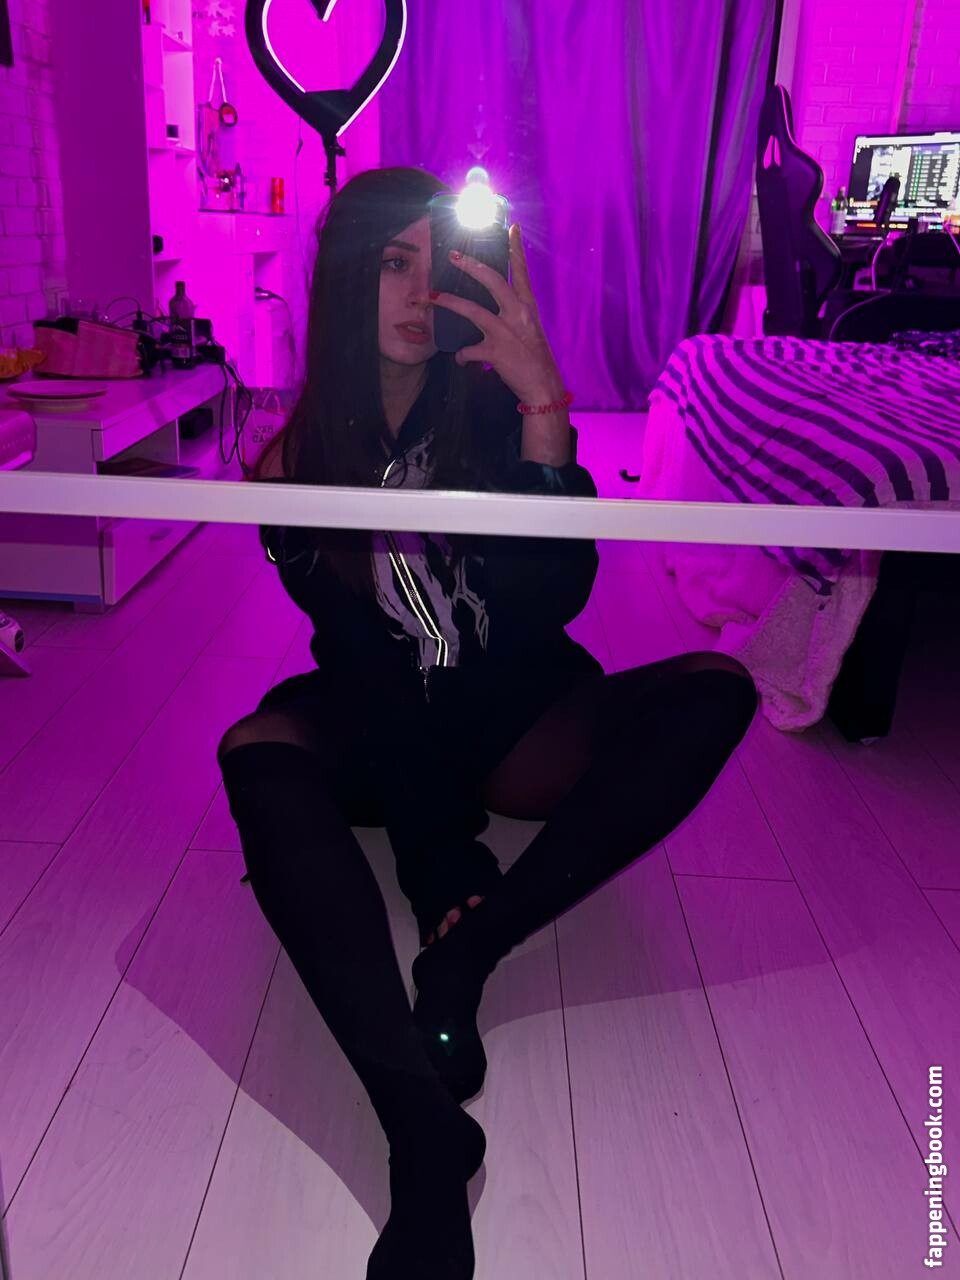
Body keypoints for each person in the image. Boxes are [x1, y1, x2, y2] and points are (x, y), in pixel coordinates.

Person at [216, 166, 758, 1280]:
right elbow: (367, 665)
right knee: (255, 751)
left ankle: (478, 947)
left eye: (441, 265)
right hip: (381, 719)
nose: (420, 295)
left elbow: (551, 606)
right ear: (346, 276)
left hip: (510, 706)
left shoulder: (493, 407)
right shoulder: (289, 461)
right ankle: (423, 1136)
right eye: (392, 264)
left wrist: (547, 415)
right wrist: (434, 861)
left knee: (715, 687)